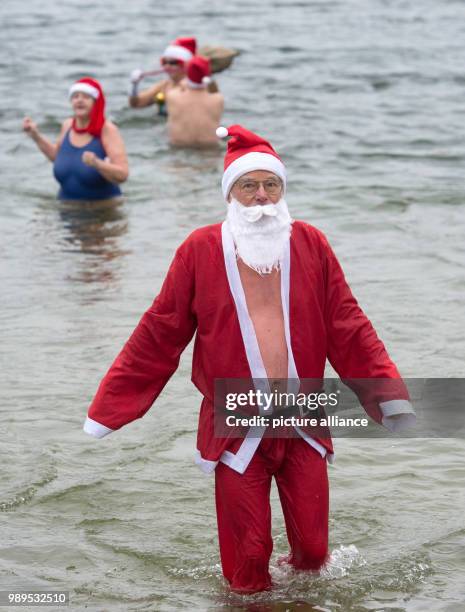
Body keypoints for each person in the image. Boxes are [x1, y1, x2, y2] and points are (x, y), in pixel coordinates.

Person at [83, 125, 415, 594]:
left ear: (282, 190)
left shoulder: (311, 243)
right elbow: (160, 331)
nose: (261, 197)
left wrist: (388, 397)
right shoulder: (199, 249)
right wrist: (110, 408)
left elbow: (348, 325)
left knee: (315, 554)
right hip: (237, 423)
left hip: (302, 419)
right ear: (230, 193)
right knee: (249, 565)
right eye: (249, 185)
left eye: (271, 185)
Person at [23, 78, 128, 201]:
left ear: (96, 102)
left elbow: (123, 174)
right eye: (75, 96)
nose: (79, 100)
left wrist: (97, 163)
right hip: (66, 208)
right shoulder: (67, 125)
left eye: (86, 97)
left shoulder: (107, 130)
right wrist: (35, 136)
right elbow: (57, 157)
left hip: (101, 211)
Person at [165, 56, 224, 147]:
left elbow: (176, 86)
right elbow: (214, 90)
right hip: (209, 149)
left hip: (179, 148)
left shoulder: (172, 96)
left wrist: (182, 83)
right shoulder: (218, 99)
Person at [128, 37, 196, 113]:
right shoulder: (163, 86)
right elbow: (136, 104)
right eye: (164, 62)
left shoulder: (194, 87)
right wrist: (134, 86)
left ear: (185, 65)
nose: (167, 66)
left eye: (173, 63)